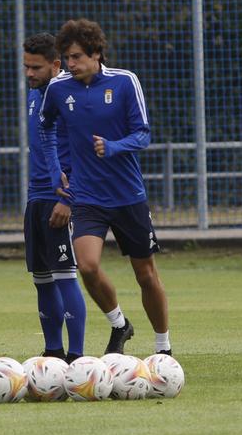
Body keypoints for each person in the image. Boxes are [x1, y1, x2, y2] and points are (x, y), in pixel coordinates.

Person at [39, 18, 172, 358]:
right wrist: (57, 173)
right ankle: (119, 323)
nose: (70, 64)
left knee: (145, 274)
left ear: (96, 54)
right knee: (87, 265)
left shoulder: (125, 82)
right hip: (86, 196)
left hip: (128, 196)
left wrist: (114, 146)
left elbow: (143, 134)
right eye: (67, 58)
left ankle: (163, 348)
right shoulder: (58, 89)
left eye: (77, 57)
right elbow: (46, 130)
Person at [22, 34, 86, 362]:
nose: (29, 74)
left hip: (60, 198)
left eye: (36, 67)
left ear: (56, 65)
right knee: (42, 279)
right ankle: (52, 352)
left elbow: (80, 148)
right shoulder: (36, 96)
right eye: (26, 67)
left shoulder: (67, 95)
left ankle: (76, 358)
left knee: (65, 277)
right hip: (36, 197)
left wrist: (69, 198)